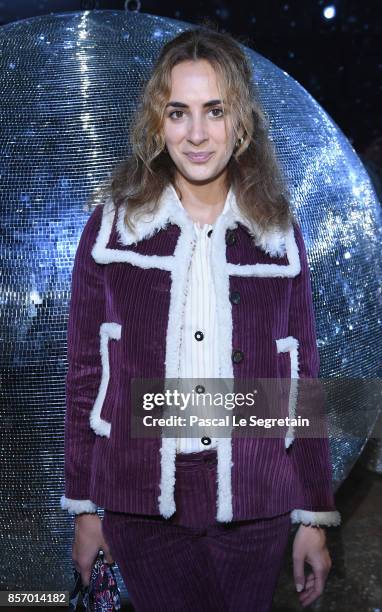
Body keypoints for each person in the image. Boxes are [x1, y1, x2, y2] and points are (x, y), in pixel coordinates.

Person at [60, 26, 341, 612]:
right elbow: (86, 372)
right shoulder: (112, 229)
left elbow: (302, 377)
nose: (195, 134)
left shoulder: (278, 234)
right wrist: (85, 507)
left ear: (240, 121)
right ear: (156, 124)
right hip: (141, 503)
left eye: (214, 111)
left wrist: (314, 512)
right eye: (177, 112)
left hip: (257, 499)